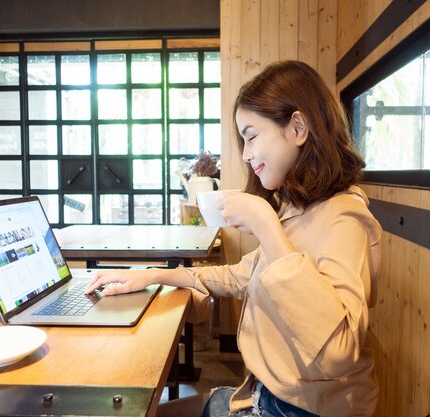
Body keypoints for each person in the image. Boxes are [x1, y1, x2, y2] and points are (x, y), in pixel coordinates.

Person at [85, 60, 382, 417]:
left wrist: (265, 223)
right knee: (150, 411)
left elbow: (338, 352)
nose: (245, 154)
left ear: (298, 127)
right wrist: (150, 275)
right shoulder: (299, 209)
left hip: (299, 410)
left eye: (252, 136)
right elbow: (237, 276)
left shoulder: (343, 217)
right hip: (263, 395)